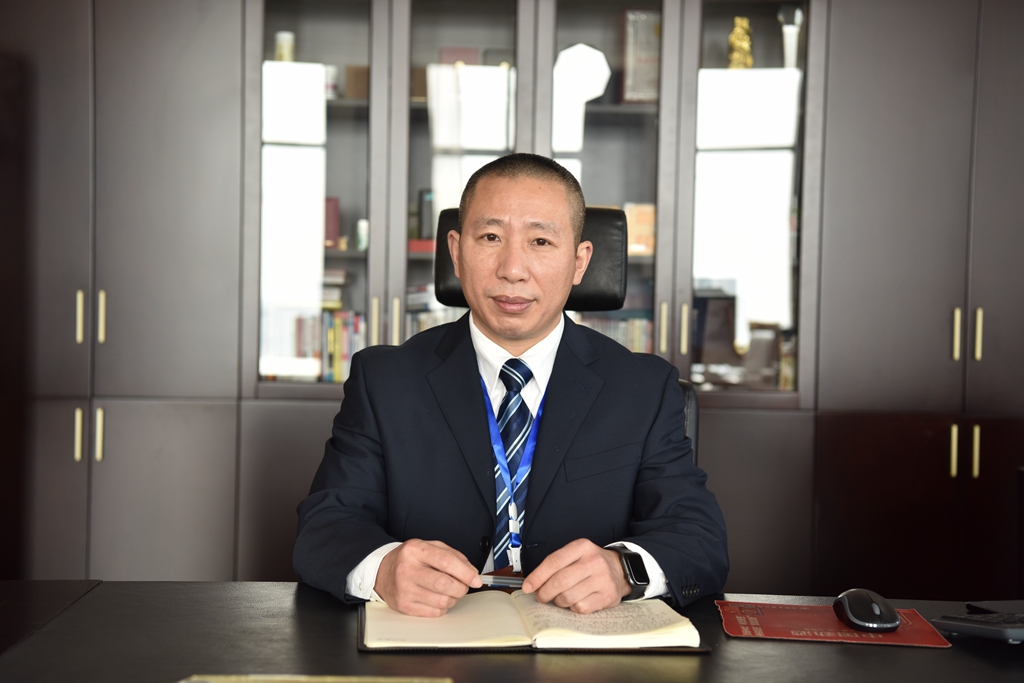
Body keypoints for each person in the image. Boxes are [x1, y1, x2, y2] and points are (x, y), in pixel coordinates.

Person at [293, 153, 728, 618]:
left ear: (580, 261)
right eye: (491, 237)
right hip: (432, 638)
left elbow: (699, 539)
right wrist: (383, 568)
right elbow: (325, 527)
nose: (513, 269)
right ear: (456, 251)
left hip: (581, 644)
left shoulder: (643, 388)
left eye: (540, 241)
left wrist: (624, 570)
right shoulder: (385, 381)